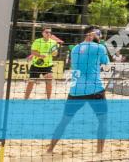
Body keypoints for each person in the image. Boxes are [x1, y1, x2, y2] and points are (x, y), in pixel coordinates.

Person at [46, 26, 110, 154]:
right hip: (95, 89)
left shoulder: (75, 49)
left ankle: (50, 149)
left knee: (64, 121)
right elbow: (107, 67)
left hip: (76, 90)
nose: (101, 37)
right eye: (100, 35)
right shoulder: (100, 48)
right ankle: (99, 152)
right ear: (94, 34)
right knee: (103, 120)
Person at [24, 27, 62, 99]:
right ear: (42, 33)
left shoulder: (53, 42)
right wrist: (40, 55)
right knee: (31, 82)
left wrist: (54, 53)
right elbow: (33, 52)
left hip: (47, 66)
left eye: (49, 32)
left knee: (49, 82)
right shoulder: (37, 41)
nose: (48, 33)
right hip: (36, 65)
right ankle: (25, 99)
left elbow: (55, 54)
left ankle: (48, 100)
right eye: (46, 32)